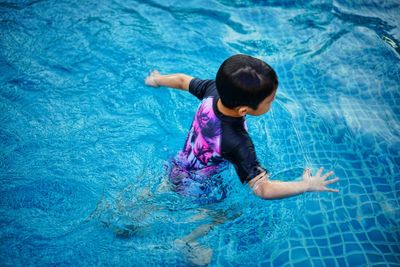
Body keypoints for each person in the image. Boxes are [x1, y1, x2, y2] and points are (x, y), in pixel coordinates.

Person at [145, 54, 339, 202]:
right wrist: (304, 185)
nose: (272, 103)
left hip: (176, 165)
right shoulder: (238, 142)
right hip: (200, 187)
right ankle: (191, 242)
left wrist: (157, 80)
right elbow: (262, 189)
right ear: (244, 110)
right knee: (225, 215)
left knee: (155, 196)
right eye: (270, 101)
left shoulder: (212, 91)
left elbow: (182, 80)